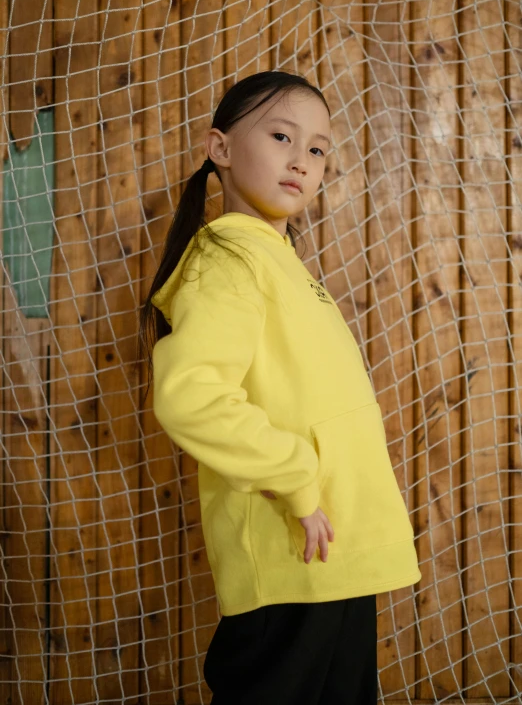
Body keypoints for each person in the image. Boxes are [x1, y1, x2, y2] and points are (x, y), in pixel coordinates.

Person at [139, 70, 422, 704]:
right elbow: (192, 398)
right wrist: (296, 474)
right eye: (280, 136)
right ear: (221, 149)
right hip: (289, 550)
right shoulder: (227, 261)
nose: (301, 161)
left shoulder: (278, 261)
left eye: (317, 149)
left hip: (331, 555)